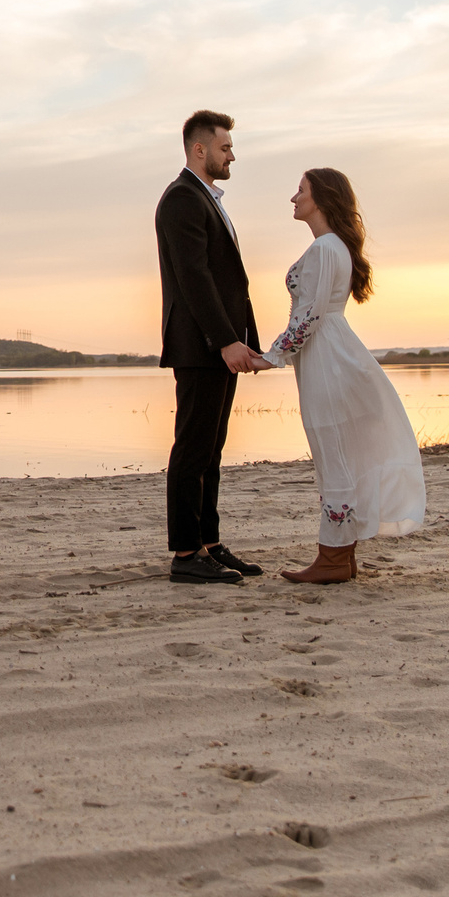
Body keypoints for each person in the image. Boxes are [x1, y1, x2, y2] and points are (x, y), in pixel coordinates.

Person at [262, 167, 426, 583]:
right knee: (337, 453)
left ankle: (333, 557)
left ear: (321, 198)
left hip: (327, 359)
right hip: (331, 353)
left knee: (332, 453)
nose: (293, 198)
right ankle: (341, 553)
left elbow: (310, 315)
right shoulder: (334, 247)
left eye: (300, 190)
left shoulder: (324, 249)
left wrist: (271, 356)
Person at [154, 110, 276, 586]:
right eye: (225, 148)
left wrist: (242, 339)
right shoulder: (183, 199)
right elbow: (195, 278)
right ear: (199, 149)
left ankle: (208, 543)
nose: (232, 155)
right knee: (192, 448)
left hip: (219, 343)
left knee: (212, 448)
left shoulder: (204, 198)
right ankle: (185, 553)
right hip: (200, 344)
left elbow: (225, 280)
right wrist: (225, 340)